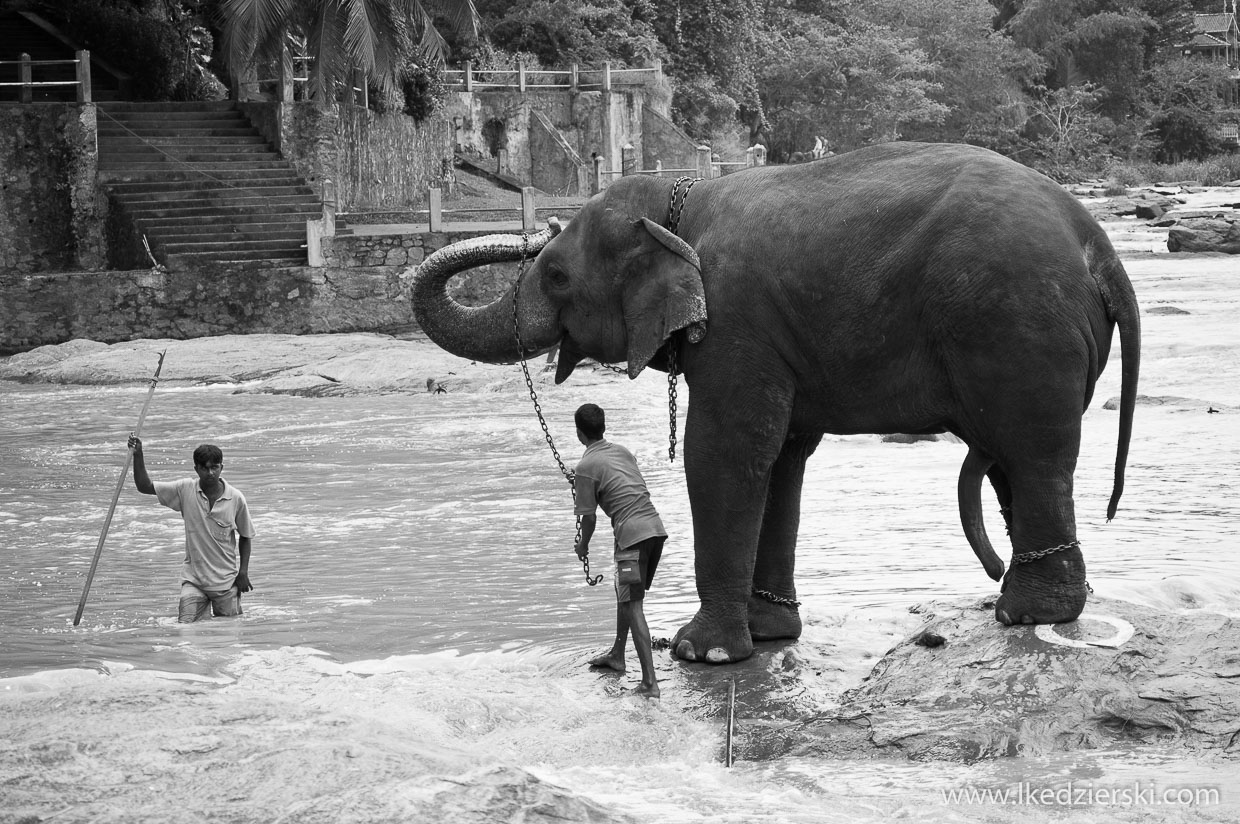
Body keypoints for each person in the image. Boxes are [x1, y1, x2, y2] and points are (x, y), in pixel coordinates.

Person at [572, 403, 666, 698]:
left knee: (633, 604)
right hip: (654, 529)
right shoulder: (623, 451)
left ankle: (650, 684)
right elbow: (621, 485)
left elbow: (588, 518)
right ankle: (617, 653)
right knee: (624, 594)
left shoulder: (585, 468)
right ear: (603, 427)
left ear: (578, 433)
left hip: (630, 538)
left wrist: (582, 546)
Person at [128, 435, 255, 623]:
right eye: (204, 468)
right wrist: (138, 454)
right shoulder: (185, 489)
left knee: (227, 636)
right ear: (196, 469)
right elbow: (144, 486)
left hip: (226, 583)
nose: (210, 473)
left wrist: (243, 572)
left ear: (222, 467)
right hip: (194, 580)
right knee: (186, 631)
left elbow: (246, 536)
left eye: (215, 467)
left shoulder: (236, 498)